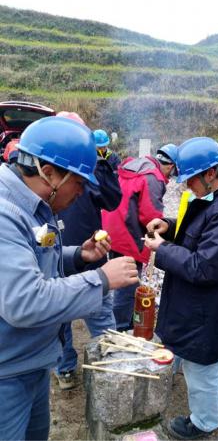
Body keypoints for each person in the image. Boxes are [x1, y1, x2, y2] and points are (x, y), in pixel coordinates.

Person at [0, 116, 139, 441]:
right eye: (79, 182)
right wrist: (102, 279)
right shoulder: (5, 215)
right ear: (49, 174)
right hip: (6, 375)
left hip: (30, 364)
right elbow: (24, 300)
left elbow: (35, 255)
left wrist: (78, 256)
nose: (82, 192)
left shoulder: (32, 206)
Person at [144, 137, 218, 439]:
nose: (186, 185)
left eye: (189, 179)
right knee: (189, 358)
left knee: (201, 368)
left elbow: (203, 266)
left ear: (210, 174)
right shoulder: (215, 199)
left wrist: (162, 249)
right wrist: (169, 224)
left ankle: (204, 423)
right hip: (197, 305)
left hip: (208, 310)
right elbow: (196, 230)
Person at [54, 118, 122, 390]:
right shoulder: (39, 180)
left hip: (91, 258)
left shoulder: (89, 173)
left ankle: (111, 365)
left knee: (102, 318)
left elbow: (112, 199)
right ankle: (65, 367)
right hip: (58, 263)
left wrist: (103, 164)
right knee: (60, 323)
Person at [102, 143, 177, 331]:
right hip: (128, 234)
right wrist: (163, 234)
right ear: (170, 166)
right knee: (128, 280)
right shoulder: (154, 178)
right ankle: (119, 327)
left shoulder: (136, 165)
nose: (170, 177)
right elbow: (150, 215)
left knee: (120, 275)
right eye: (173, 173)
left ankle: (123, 318)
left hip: (112, 226)